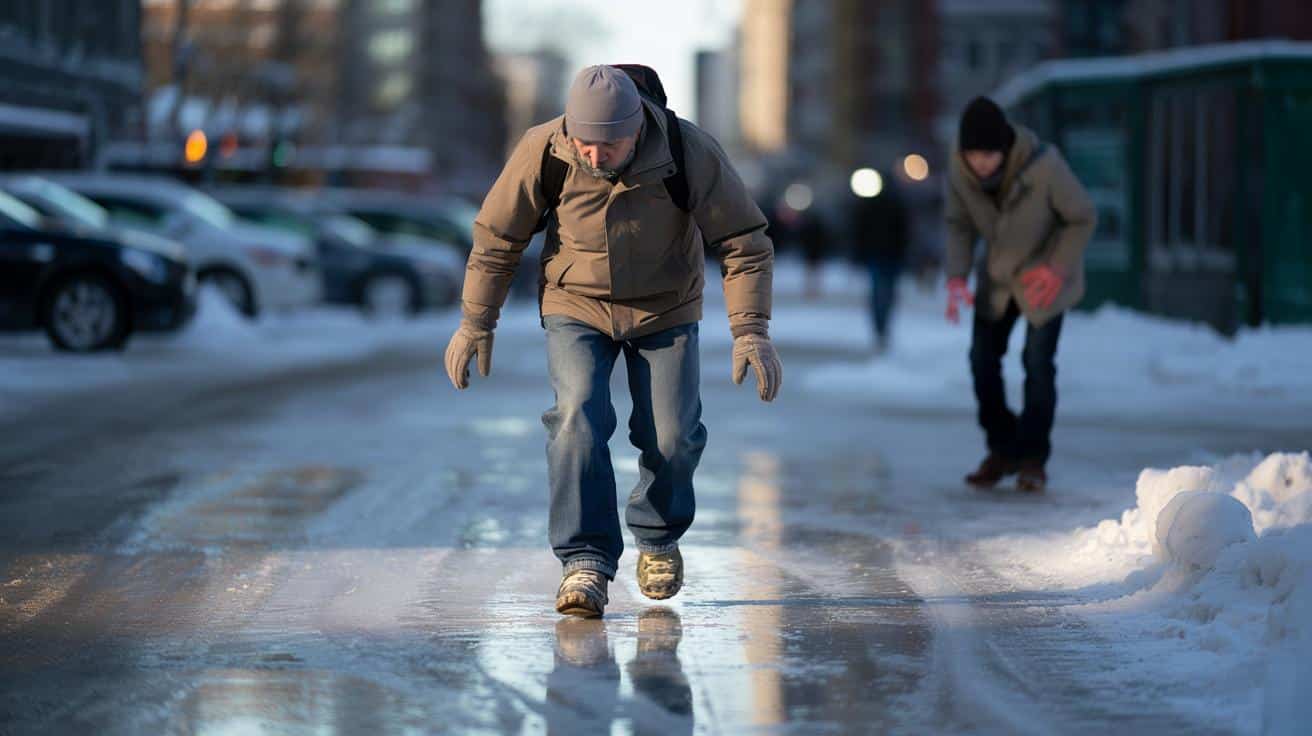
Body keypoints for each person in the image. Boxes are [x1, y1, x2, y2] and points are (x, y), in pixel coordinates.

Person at [445, 65, 782, 617]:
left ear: (637, 129)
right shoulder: (543, 149)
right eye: (585, 144)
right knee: (577, 418)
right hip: (576, 303)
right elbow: (497, 238)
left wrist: (752, 332)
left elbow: (744, 240)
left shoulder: (686, 147)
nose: (595, 157)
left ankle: (658, 537)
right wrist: (476, 321)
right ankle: (585, 559)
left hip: (665, 305)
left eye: (609, 145)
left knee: (671, 435)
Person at [943, 96, 1096, 492]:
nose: (980, 164)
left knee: (1038, 364)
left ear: (1005, 147)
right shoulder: (960, 171)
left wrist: (1056, 267)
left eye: (988, 154)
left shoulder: (1045, 166)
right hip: (997, 279)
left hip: (1044, 278)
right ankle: (1002, 448)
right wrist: (957, 276)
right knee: (981, 361)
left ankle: (1032, 459)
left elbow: (1082, 217)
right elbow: (958, 224)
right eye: (973, 154)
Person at [849, 178, 910, 353]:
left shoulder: (870, 205)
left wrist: (859, 253)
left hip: (878, 255)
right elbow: (904, 233)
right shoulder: (897, 205)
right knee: (887, 292)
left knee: (878, 292)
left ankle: (880, 326)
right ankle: (882, 326)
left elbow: (860, 231)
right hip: (890, 256)